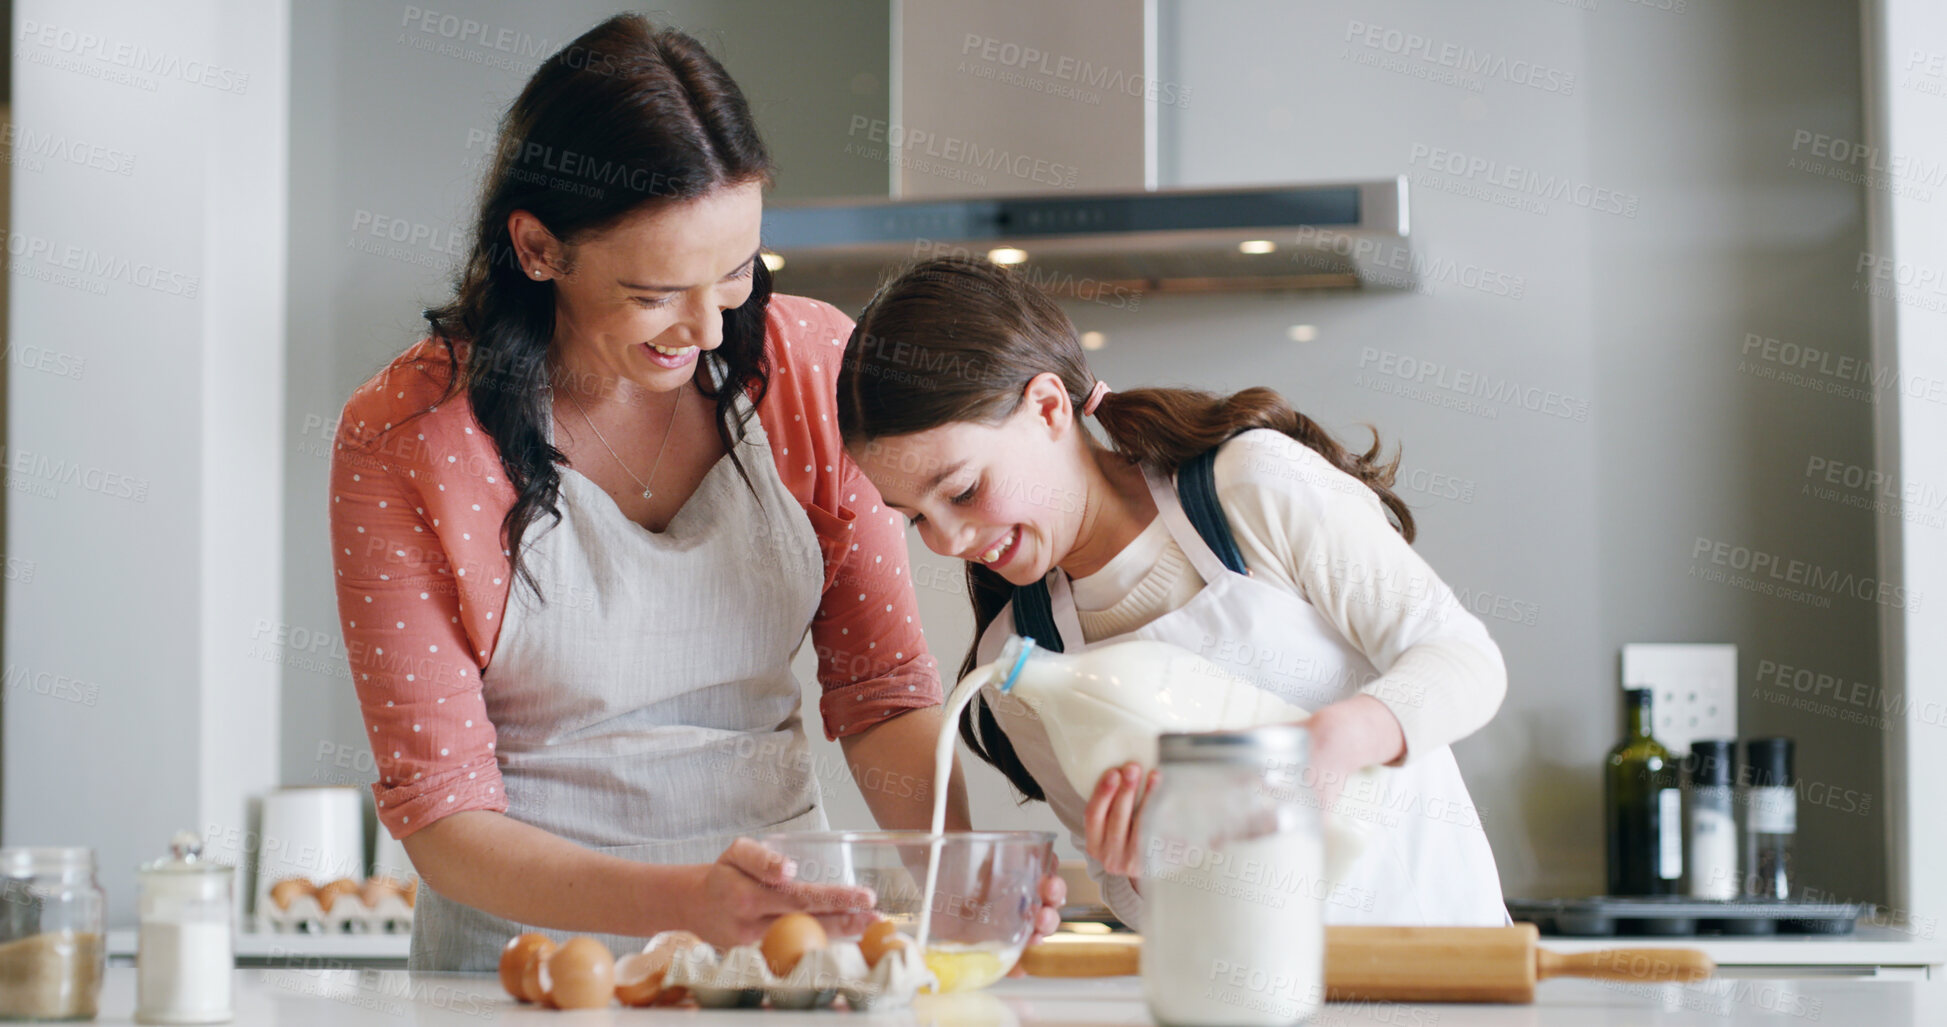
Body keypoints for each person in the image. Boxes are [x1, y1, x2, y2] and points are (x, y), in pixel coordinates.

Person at [328, 17, 1060, 970]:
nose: (710, 329)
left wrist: (953, 872)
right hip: (528, 967)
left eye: (736, 273)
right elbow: (440, 809)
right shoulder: (406, 435)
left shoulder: (806, 364)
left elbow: (879, 694)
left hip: (785, 951)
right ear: (539, 247)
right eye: (654, 292)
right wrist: (687, 900)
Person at [835, 258, 1510, 927]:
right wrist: (1137, 861)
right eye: (915, 516)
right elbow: (1127, 894)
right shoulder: (1019, 659)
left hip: (1445, 959)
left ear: (1045, 407)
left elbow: (1464, 659)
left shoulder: (1250, 487)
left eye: (962, 491)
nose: (946, 541)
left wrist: (1334, 738)